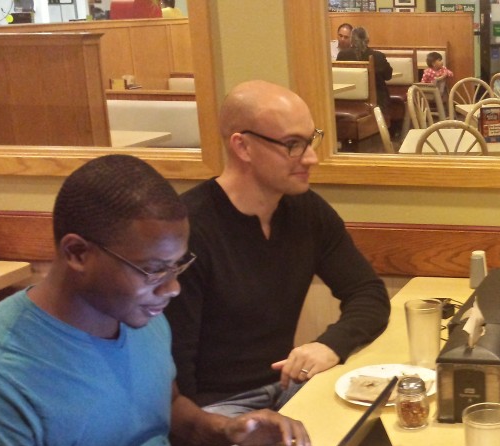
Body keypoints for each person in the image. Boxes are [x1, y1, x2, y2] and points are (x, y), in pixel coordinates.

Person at [0, 154, 311, 446]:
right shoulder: (4, 374)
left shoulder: (138, 314)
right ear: (77, 253)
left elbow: (168, 406)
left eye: (178, 265)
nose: (173, 288)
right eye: (154, 270)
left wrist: (226, 429)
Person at [164, 80, 390, 416]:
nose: (311, 157)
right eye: (293, 145)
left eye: (311, 140)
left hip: (287, 389)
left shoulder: (306, 211)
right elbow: (176, 379)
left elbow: (368, 294)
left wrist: (329, 344)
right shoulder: (187, 230)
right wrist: (220, 436)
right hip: (215, 409)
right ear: (243, 147)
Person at [336, 26, 394, 113]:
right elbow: (388, 76)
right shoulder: (378, 56)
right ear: (367, 40)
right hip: (377, 103)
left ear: (351, 40)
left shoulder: (342, 55)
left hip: (346, 101)